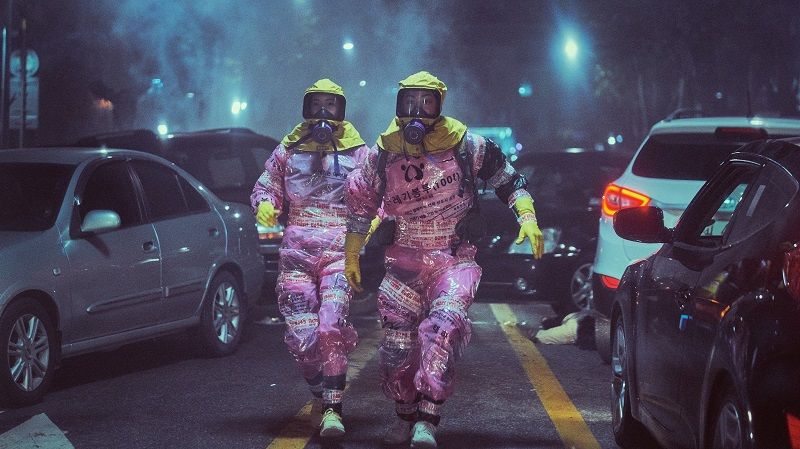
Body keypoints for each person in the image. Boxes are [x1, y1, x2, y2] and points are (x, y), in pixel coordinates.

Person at [343, 71, 543, 448]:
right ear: (399, 105)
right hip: (403, 261)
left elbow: (509, 181)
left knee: (444, 326)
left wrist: (527, 217)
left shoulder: (467, 146)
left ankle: (428, 419)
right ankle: (405, 414)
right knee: (397, 346)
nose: (417, 111)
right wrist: (351, 254)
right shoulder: (383, 153)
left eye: (427, 102)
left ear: (440, 105)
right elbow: (360, 206)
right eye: (410, 102)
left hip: (453, 258)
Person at [250, 79, 373, 438]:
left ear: (341, 109)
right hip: (297, 251)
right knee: (301, 335)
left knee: (331, 325)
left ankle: (334, 409)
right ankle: (321, 392)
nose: (323, 112)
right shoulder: (289, 149)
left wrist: (366, 229)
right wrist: (265, 205)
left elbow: (376, 193)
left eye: (330, 105)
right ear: (306, 108)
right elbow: (266, 185)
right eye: (316, 104)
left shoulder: (357, 151)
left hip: (338, 249)